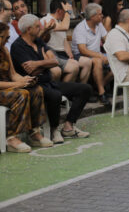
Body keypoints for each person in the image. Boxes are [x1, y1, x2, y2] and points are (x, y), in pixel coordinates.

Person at [11, 14, 92, 143]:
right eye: (38, 26)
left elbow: (54, 61)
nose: (40, 29)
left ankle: (68, 126)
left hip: (49, 81)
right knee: (55, 95)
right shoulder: (17, 46)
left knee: (85, 89)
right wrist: (45, 61)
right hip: (34, 85)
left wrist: (37, 63)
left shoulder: (38, 40)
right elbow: (30, 70)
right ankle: (54, 130)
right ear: (28, 29)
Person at [0, 22, 52, 152]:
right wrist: (18, 84)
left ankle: (34, 132)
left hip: (8, 87)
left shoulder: (5, 50)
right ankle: (11, 137)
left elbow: (12, 74)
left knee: (36, 89)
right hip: (3, 89)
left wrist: (25, 80)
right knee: (21, 94)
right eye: (4, 38)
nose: (7, 41)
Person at [41, 0, 91, 84]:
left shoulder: (60, 20)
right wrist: (68, 12)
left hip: (63, 53)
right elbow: (65, 27)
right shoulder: (47, 20)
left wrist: (70, 53)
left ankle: (80, 90)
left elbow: (64, 40)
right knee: (74, 66)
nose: (67, 14)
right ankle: (65, 93)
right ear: (59, 11)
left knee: (87, 62)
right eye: (65, 11)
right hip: (54, 53)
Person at [72, 3, 112, 104]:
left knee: (118, 61)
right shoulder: (80, 28)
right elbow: (82, 50)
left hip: (96, 54)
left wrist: (113, 53)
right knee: (98, 61)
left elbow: (107, 41)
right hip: (81, 56)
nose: (102, 16)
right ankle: (102, 93)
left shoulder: (99, 25)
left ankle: (97, 88)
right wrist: (100, 56)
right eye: (100, 14)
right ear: (92, 16)